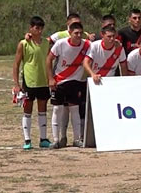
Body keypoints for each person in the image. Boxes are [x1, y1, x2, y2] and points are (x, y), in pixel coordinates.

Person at [46, 20, 90, 148]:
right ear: (70, 33)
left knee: (74, 109)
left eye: (81, 33)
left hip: (75, 81)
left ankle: (77, 139)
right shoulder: (60, 44)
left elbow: (100, 44)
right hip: (59, 81)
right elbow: (49, 59)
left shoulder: (86, 45)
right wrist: (50, 78)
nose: (78, 35)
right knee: (57, 109)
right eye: (76, 33)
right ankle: (56, 139)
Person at [12, 16, 52, 150]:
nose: (39, 31)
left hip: (43, 81)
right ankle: (27, 139)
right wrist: (16, 84)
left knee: (43, 110)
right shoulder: (24, 43)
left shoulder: (46, 43)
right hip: (29, 80)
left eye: (41, 28)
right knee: (27, 110)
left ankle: (43, 138)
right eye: (36, 28)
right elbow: (16, 64)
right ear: (31, 28)